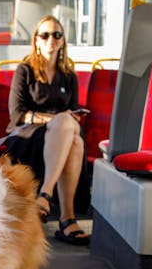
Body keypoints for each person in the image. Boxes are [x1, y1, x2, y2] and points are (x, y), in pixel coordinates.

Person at [5, 15, 90, 246]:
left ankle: (45, 197)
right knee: (67, 128)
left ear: (62, 41)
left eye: (56, 35)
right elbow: (17, 113)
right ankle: (66, 218)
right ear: (36, 40)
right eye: (45, 35)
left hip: (60, 136)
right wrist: (56, 120)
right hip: (26, 135)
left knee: (75, 140)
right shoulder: (25, 70)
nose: (51, 39)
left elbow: (73, 113)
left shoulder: (69, 76)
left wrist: (65, 120)